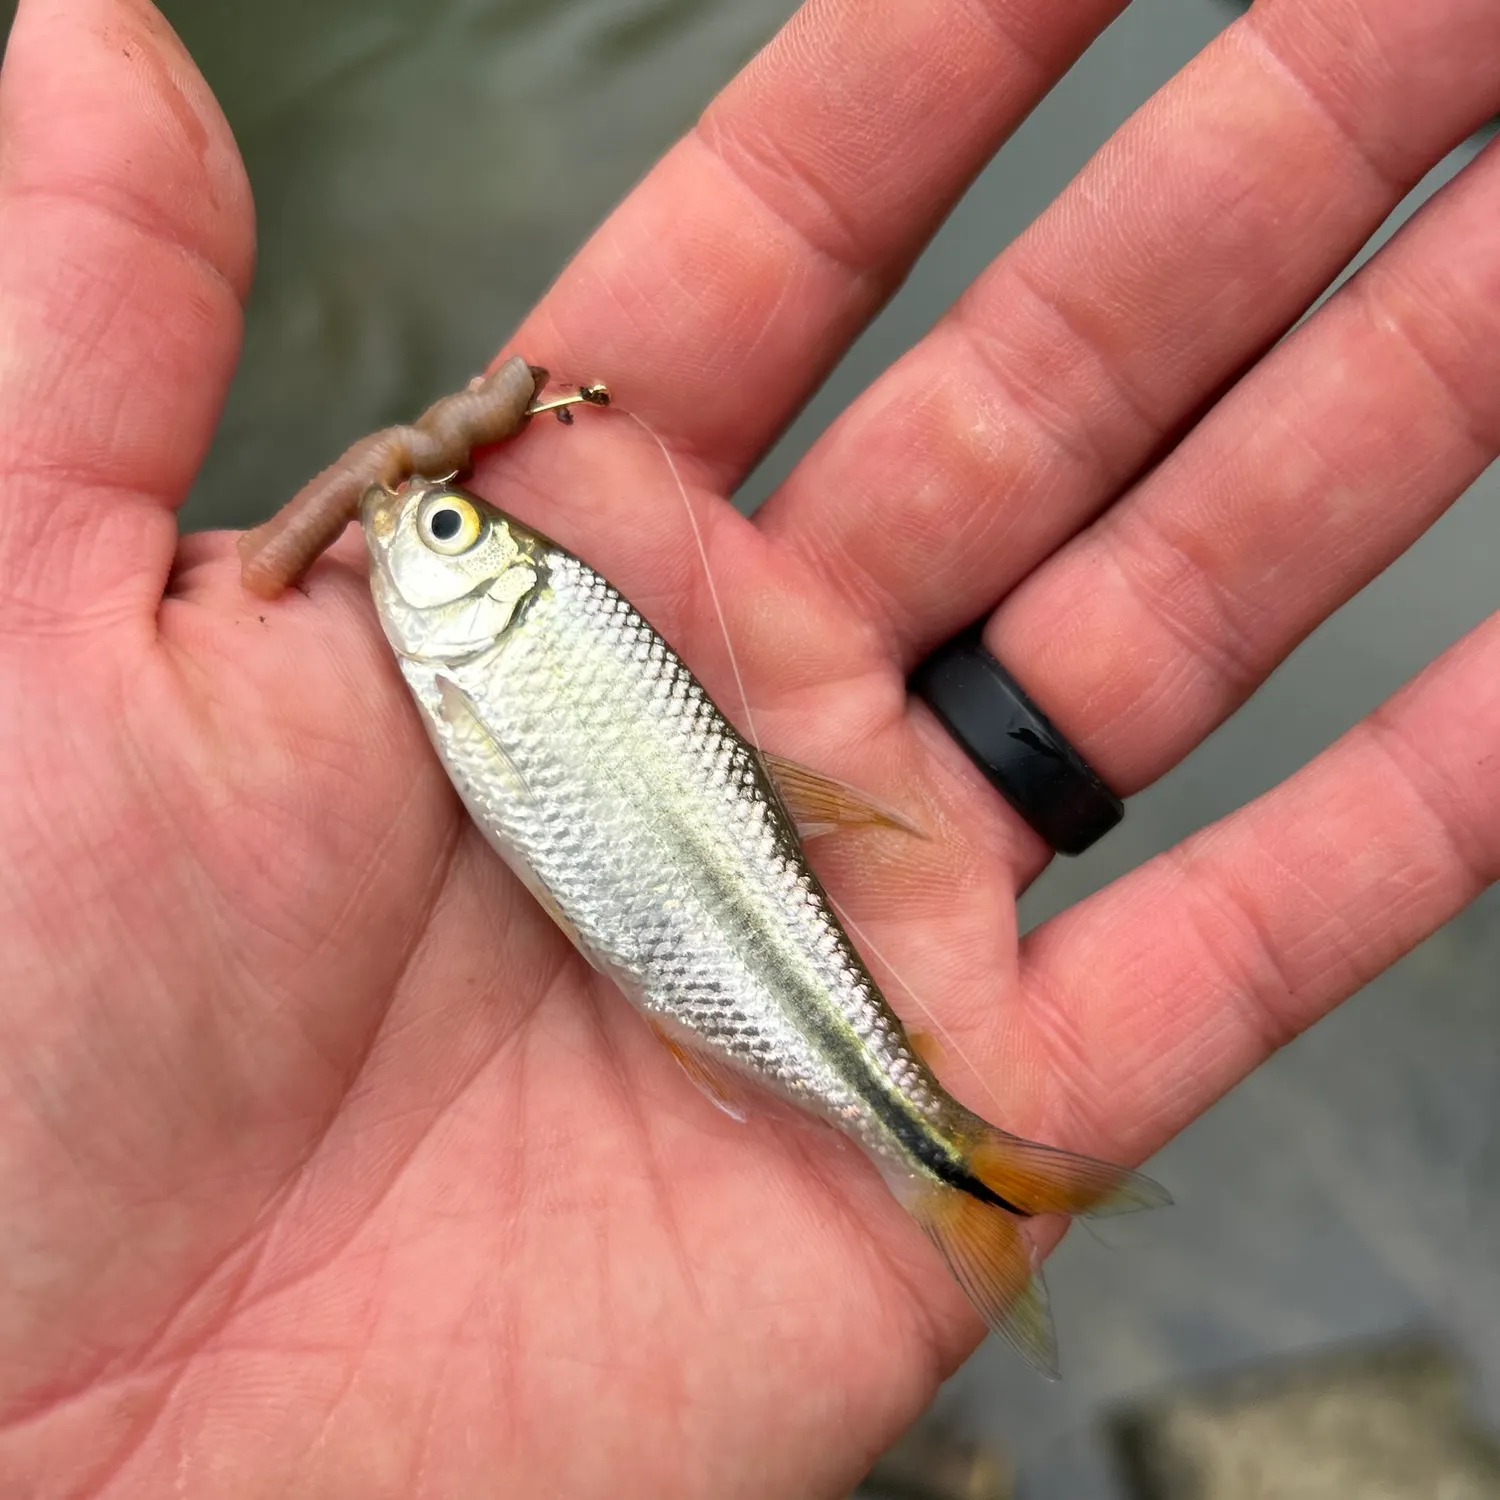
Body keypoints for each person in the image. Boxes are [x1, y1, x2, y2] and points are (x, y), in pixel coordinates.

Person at [0, 0, 1495, 1493]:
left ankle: (945, 1160)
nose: (409, 524)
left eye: (442, 525)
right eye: (440, 519)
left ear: (492, 583)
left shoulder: (488, 647)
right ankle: (947, 1159)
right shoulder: (469, 647)